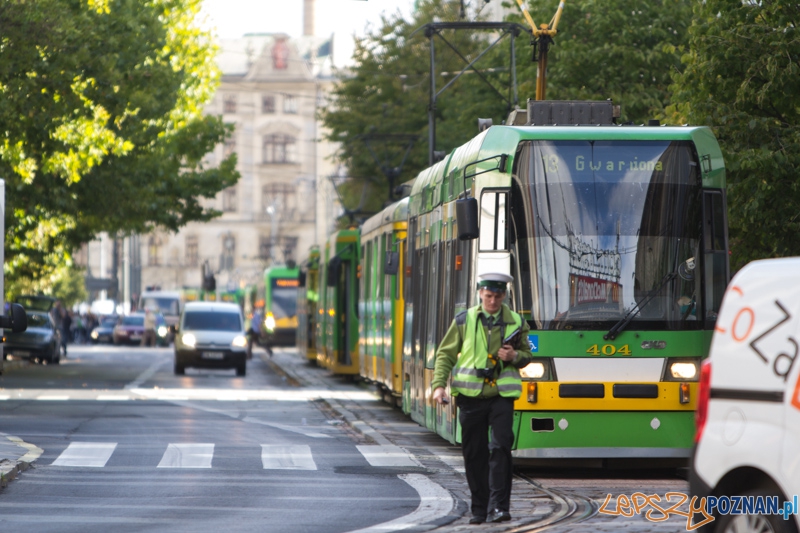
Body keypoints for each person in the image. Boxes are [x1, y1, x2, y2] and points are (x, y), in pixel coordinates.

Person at [431, 272, 533, 525]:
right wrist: (438, 386)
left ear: (504, 296)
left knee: (500, 447)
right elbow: (445, 355)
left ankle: (499, 507)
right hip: (469, 396)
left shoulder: (516, 322)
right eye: (489, 296)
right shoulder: (464, 320)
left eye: (498, 296)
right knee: (474, 453)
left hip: (501, 395)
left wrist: (514, 357)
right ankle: (479, 509)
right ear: (480, 293)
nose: (493, 301)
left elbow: (527, 355)